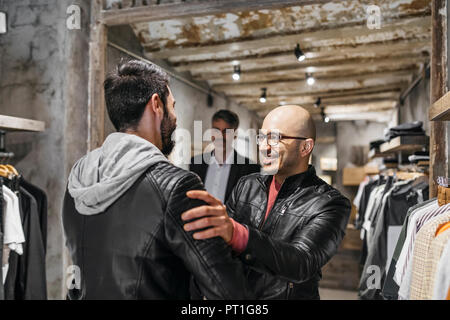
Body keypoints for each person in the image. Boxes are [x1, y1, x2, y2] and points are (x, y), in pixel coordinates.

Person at [62, 60, 251, 300]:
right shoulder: (177, 187)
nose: (175, 117)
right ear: (156, 104)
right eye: (173, 106)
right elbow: (228, 293)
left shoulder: (77, 182)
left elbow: (77, 284)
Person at [182, 105, 351, 300]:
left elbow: (301, 262)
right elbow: (220, 248)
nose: (264, 147)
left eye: (275, 138)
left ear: (306, 147)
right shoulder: (247, 185)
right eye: (262, 137)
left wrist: (237, 234)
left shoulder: (330, 203)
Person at [189, 109, 260, 204]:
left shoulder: (250, 169)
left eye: (226, 131)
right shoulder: (195, 163)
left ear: (235, 134)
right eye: (216, 130)